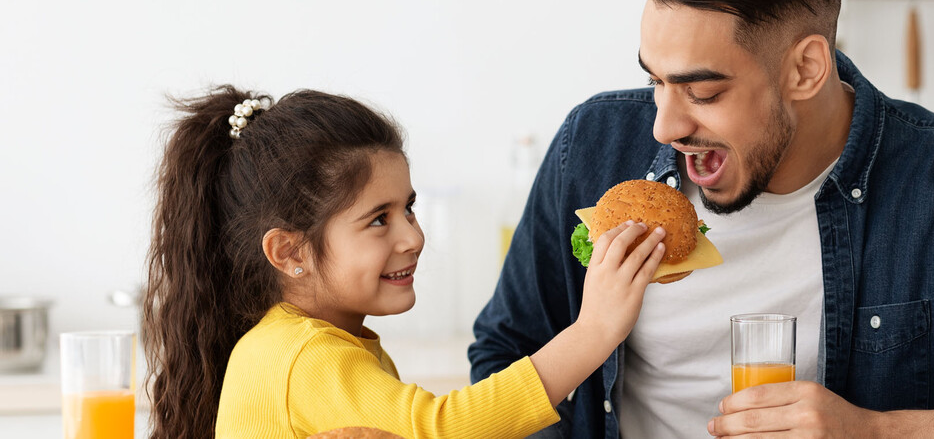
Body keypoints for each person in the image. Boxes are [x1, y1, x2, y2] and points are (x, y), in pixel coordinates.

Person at [469, 0, 934, 438]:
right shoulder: (590, 150)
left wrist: (878, 434)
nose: (661, 126)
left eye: (702, 91)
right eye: (653, 80)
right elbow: (502, 356)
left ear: (806, 69)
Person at [140, 85, 669, 438]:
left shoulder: (305, 345)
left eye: (408, 209)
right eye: (378, 219)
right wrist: (595, 330)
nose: (413, 237)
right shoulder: (305, 356)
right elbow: (442, 429)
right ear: (290, 252)